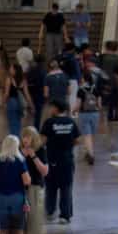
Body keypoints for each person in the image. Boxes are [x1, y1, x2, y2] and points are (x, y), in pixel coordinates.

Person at [40, 92, 79, 224]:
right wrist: (67, 144)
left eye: (51, 107)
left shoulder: (49, 123)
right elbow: (78, 140)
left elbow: (42, 141)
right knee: (66, 187)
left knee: (51, 187)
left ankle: (50, 211)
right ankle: (65, 215)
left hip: (52, 160)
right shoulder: (71, 122)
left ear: (56, 108)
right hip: (67, 160)